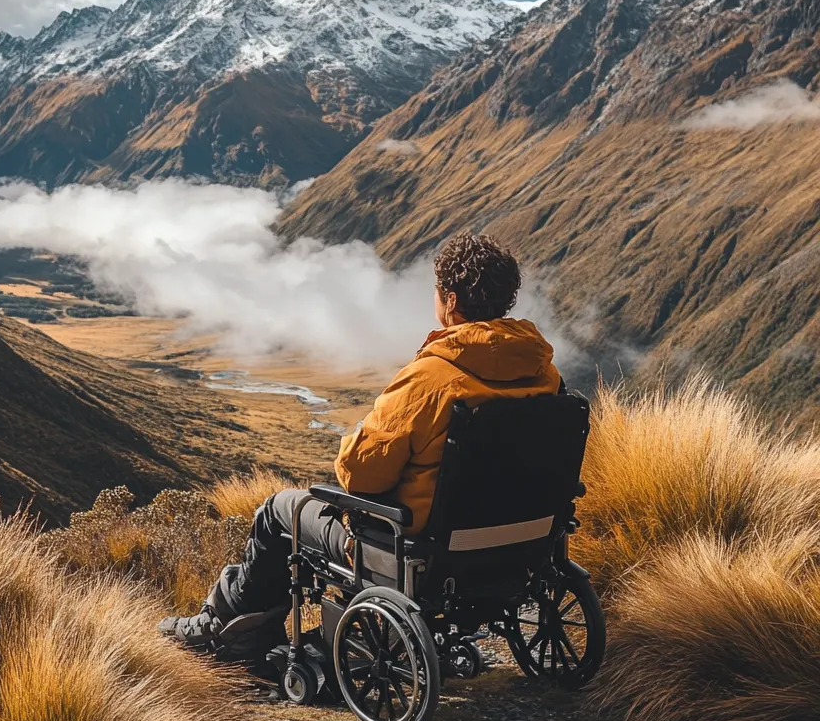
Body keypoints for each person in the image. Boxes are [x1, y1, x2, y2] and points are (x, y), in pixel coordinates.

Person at [157, 232, 563, 648]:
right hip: (522, 545)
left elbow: (360, 478)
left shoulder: (430, 380)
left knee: (279, 511)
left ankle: (226, 630)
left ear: (451, 302)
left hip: (417, 551)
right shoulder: (546, 375)